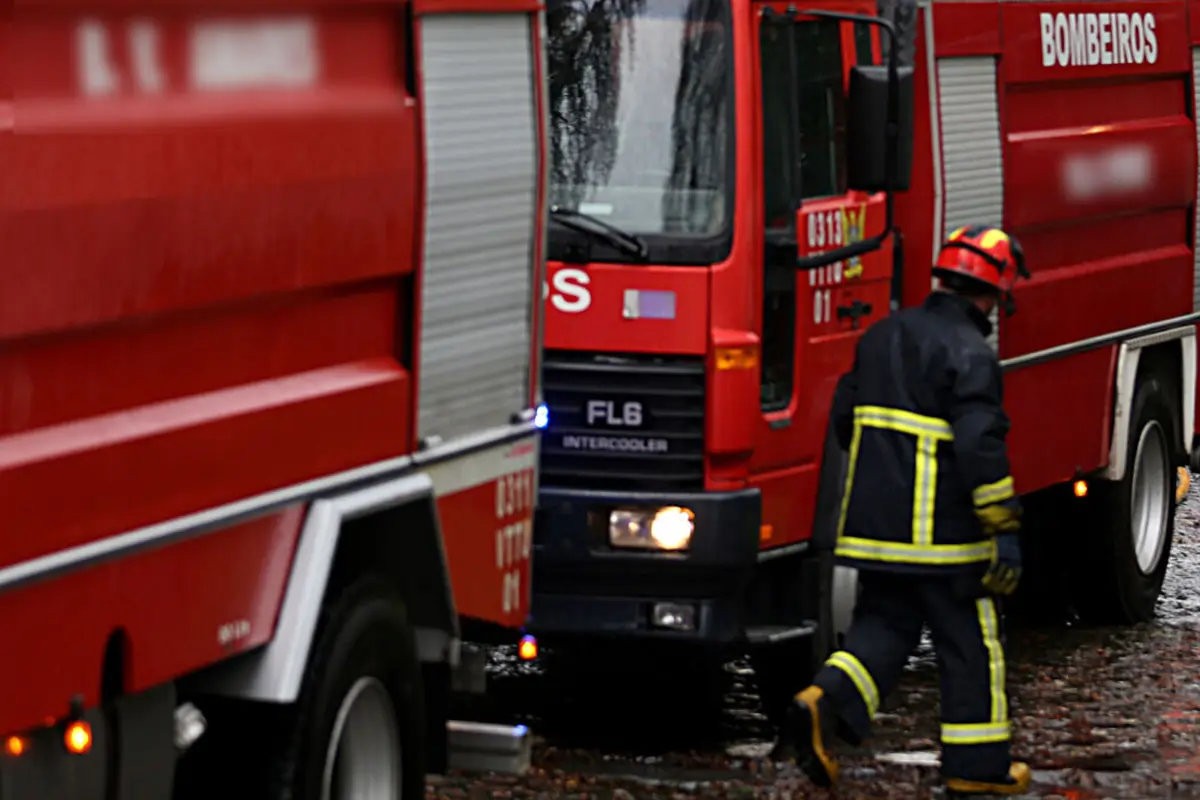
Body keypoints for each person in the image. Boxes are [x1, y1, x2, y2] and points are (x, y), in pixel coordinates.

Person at [785, 225, 1032, 795]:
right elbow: (979, 447)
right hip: (944, 541)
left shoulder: (881, 335)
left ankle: (821, 701)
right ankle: (978, 770)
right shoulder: (971, 353)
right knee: (972, 643)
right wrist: (1004, 529)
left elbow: (845, 421)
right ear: (991, 293)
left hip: (874, 533)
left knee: (883, 629)